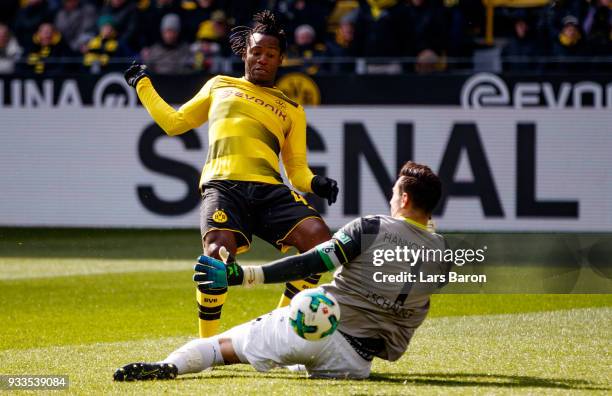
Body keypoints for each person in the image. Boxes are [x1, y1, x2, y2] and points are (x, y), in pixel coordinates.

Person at [113, 161, 450, 381]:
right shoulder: (443, 253)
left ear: (404, 200)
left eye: (394, 195)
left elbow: (311, 262)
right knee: (296, 360)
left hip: (313, 330)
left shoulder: (373, 227)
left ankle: (170, 365)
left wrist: (245, 275)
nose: (391, 201)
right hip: (356, 364)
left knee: (221, 347)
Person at [123, 10, 339, 339]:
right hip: (224, 188)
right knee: (215, 258)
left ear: (281, 59)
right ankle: (207, 345)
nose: (261, 59)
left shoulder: (292, 108)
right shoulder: (219, 85)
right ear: (245, 53)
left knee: (319, 239)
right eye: (256, 52)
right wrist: (143, 85)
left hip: (269, 191)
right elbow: (174, 122)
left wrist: (316, 183)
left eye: (270, 54)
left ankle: (279, 329)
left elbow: (296, 171)